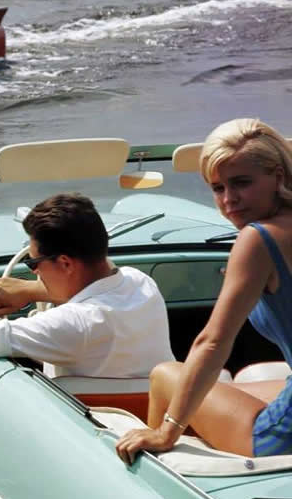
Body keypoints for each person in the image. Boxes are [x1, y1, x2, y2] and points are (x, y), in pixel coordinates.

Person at [116, 118, 292, 464]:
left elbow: (211, 343)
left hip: (284, 442)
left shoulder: (258, 239)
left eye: (241, 183)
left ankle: (158, 477)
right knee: (237, 386)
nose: (229, 200)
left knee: (166, 376)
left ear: (279, 177)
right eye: (218, 188)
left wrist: (168, 430)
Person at [0, 193, 174, 378]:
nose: (32, 272)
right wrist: (28, 291)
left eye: (33, 262)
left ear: (65, 262)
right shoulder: (142, 283)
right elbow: (96, 294)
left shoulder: (72, 325)